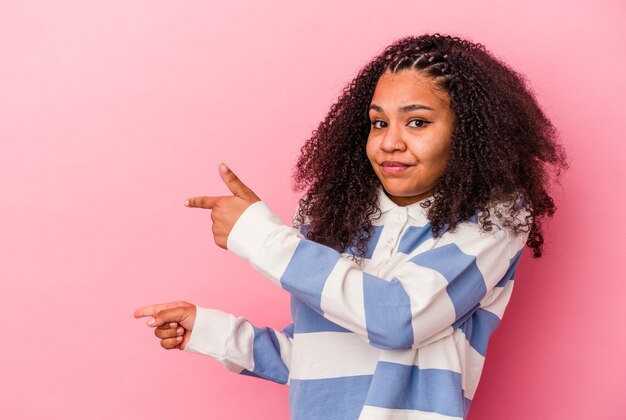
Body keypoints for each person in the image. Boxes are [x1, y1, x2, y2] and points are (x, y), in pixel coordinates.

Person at [134, 33, 567, 419]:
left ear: (469, 135)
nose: (389, 141)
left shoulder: (492, 222)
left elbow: (401, 319)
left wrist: (261, 238)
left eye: (417, 121)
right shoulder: (332, 219)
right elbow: (317, 360)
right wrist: (213, 331)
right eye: (379, 122)